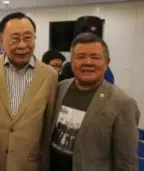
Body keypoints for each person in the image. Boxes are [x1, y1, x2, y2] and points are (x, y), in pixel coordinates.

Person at [0, 12, 57, 171]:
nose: (22, 45)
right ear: (1, 41)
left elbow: (48, 127)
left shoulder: (50, 76)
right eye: (15, 39)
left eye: (28, 38)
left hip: (29, 165)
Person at [50, 32, 140, 171]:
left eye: (95, 57)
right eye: (80, 57)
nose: (88, 62)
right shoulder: (60, 88)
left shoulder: (123, 103)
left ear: (107, 62)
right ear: (72, 62)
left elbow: (126, 162)